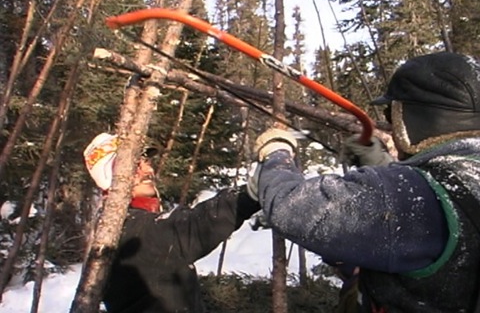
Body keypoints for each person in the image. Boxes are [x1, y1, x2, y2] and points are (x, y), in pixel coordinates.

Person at [247, 52, 480, 312]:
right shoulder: (465, 175)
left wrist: (276, 153)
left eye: (392, 115)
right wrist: (379, 162)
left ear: (412, 120)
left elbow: (290, 205)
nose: (391, 126)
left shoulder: (411, 195)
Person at [83, 133, 260, 313]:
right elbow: (192, 228)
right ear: (110, 177)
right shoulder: (125, 227)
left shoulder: (121, 222)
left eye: (147, 162)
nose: (149, 171)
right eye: (135, 165)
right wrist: (253, 192)